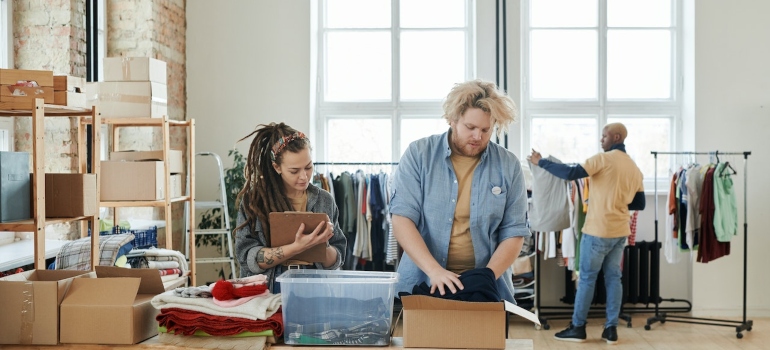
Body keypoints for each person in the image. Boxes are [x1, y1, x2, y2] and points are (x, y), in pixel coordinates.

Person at [390, 79, 529, 304]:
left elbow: (514, 231)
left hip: (487, 288)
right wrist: (435, 271)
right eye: (470, 127)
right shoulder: (419, 155)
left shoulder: (509, 165)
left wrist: (484, 278)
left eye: (486, 130)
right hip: (423, 281)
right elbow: (402, 220)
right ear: (453, 120)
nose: (478, 137)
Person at [527, 122, 645, 344]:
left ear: (616, 137)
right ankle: (611, 330)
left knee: (587, 279)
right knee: (613, 278)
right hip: (620, 231)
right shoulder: (634, 167)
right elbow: (640, 203)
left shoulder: (603, 159)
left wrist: (540, 162)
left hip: (598, 230)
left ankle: (578, 328)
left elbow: (571, 173)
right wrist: (615, 201)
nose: (601, 140)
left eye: (604, 136)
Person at [234, 122, 346, 293]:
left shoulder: (325, 200)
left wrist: (323, 244)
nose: (304, 176)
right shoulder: (254, 201)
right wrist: (296, 247)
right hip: (268, 292)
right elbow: (247, 257)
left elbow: (336, 259)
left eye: (308, 167)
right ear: (276, 167)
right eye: (294, 171)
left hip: (314, 291)